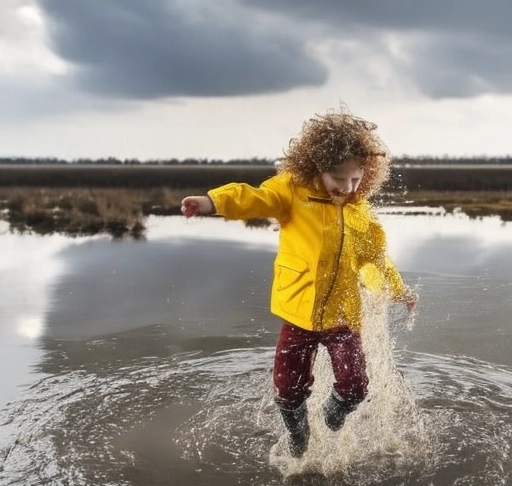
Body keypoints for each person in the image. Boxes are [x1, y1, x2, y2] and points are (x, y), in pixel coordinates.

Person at [181, 106, 417, 458]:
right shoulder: (292, 192)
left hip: (342, 316)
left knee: (355, 386)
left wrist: (398, 291)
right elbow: (253, 198)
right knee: (288, 390)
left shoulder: (359, 211)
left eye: (356, 180)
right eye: (340, 179)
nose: (348, 188)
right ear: (317, 168)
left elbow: (376, 259)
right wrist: (210, 202)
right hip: (298, 314)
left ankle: (332, 416)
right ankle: (298, 432)